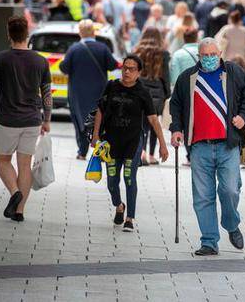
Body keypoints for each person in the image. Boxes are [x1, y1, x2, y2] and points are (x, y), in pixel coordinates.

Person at [169, 38, 245, 256]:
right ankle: (209, 241)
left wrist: (244, 117)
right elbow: (176, 104)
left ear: (220, 54)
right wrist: (177, 129)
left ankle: (231, 223)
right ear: (199, 56)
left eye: (213, 54)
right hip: (200, 146)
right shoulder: (188, 77)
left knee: (229, 190)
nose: (209, 59)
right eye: (204, 55)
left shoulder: (234, 72)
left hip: (227, 144)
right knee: (203, 196)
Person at [92, 54, 169, 231]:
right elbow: (100, 111)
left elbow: (153, 120)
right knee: (112, 181)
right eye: (124, 67)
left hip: (133, 142)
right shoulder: (111, 86)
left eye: (131, 69)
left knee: (129, 177)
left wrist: (163, 146)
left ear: (139, 72)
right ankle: (119, 206)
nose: (127, 71)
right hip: (111, 142)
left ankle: (130, 218)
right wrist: (96, 135)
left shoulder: (142, 92)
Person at [0, 16, 51, 222]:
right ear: (27, 35)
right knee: (25, 165)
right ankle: (19, 211)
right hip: (32, 120)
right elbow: (47, 93)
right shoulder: (40, 61)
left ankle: (15, 192)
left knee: (3, 160)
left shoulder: (0, 59)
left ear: (9, 34)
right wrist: (47, 119)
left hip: (7, 119)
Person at [59, 19, 118, 160]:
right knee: (101, 121)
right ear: (93, 32)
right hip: (99, 92)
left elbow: (64, 68)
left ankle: (82, 151)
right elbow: (112, 65)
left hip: (77, 93)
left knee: (80, 121)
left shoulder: (74, 49)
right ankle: (102, 152)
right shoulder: (102, 48)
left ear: (80, 33)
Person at [134, 27, 171, 165]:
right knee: (155, 124)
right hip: (157, 94)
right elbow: (166, 77)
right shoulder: (164, 54)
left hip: (139, 92)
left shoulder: (137, 52)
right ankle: (151, 155)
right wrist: (167, 93)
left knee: (141, 124)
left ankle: (141, 153)